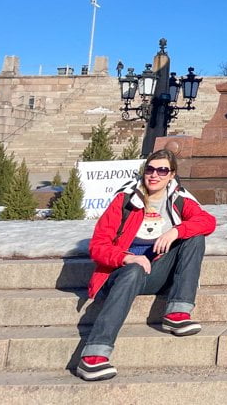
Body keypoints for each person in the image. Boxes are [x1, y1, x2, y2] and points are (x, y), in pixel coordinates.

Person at [76, 150, 217, 381]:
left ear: (171, 175)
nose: (154, 175)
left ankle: (177, 311)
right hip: (123, 274)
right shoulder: (125, 200)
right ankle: (93, 355)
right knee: (134, 270)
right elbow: (98, 246)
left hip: (158, 273)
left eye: (162, 170)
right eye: (150, 169)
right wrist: (128, 258)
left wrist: (176, 230)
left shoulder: (179, 199)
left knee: (195, 236)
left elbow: (207, 221)